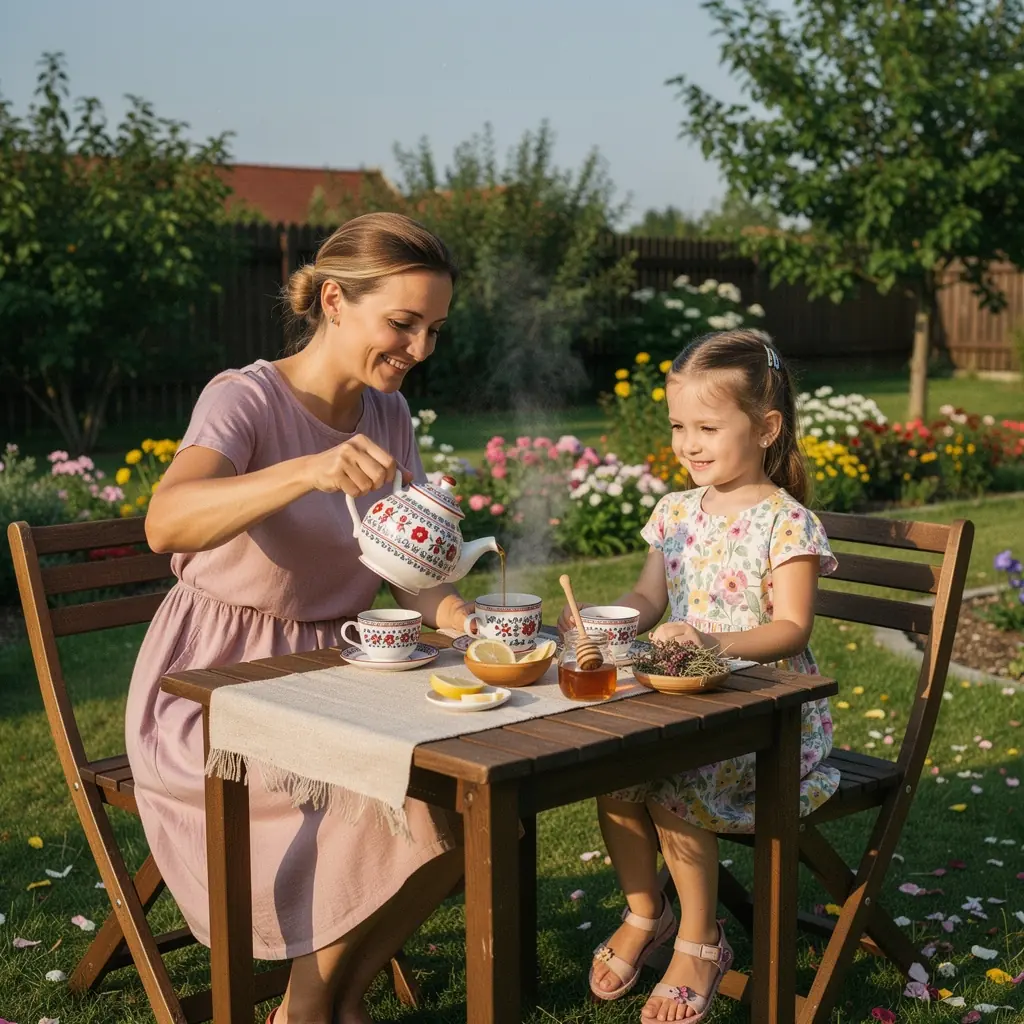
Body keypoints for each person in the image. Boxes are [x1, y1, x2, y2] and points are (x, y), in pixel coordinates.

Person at [126, 212, 476, 1024]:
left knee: (468, 803)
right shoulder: (243, 397)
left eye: (433, 330)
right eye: (403, 323)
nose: (418, 350)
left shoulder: (388, 414)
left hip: (337, 674)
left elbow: (404, 565)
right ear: (333, 301)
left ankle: (321, 1002)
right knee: (400, 801)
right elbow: (165, 523)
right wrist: (305, 470)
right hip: (214, 688)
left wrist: (459, 614)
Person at [558, 328, 839, 1022]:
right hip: (682, 701)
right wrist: (608, 621)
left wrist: (710, 637)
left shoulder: (786, 522)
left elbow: (791, 629)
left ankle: (699, 940)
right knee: (614, 777)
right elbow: (650, 597)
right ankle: (645, 909)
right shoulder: (675, 512)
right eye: (680, 425)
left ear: (767, 427)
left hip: (766, 718)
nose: (689, 443)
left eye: (708, 426)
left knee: (676, 784)